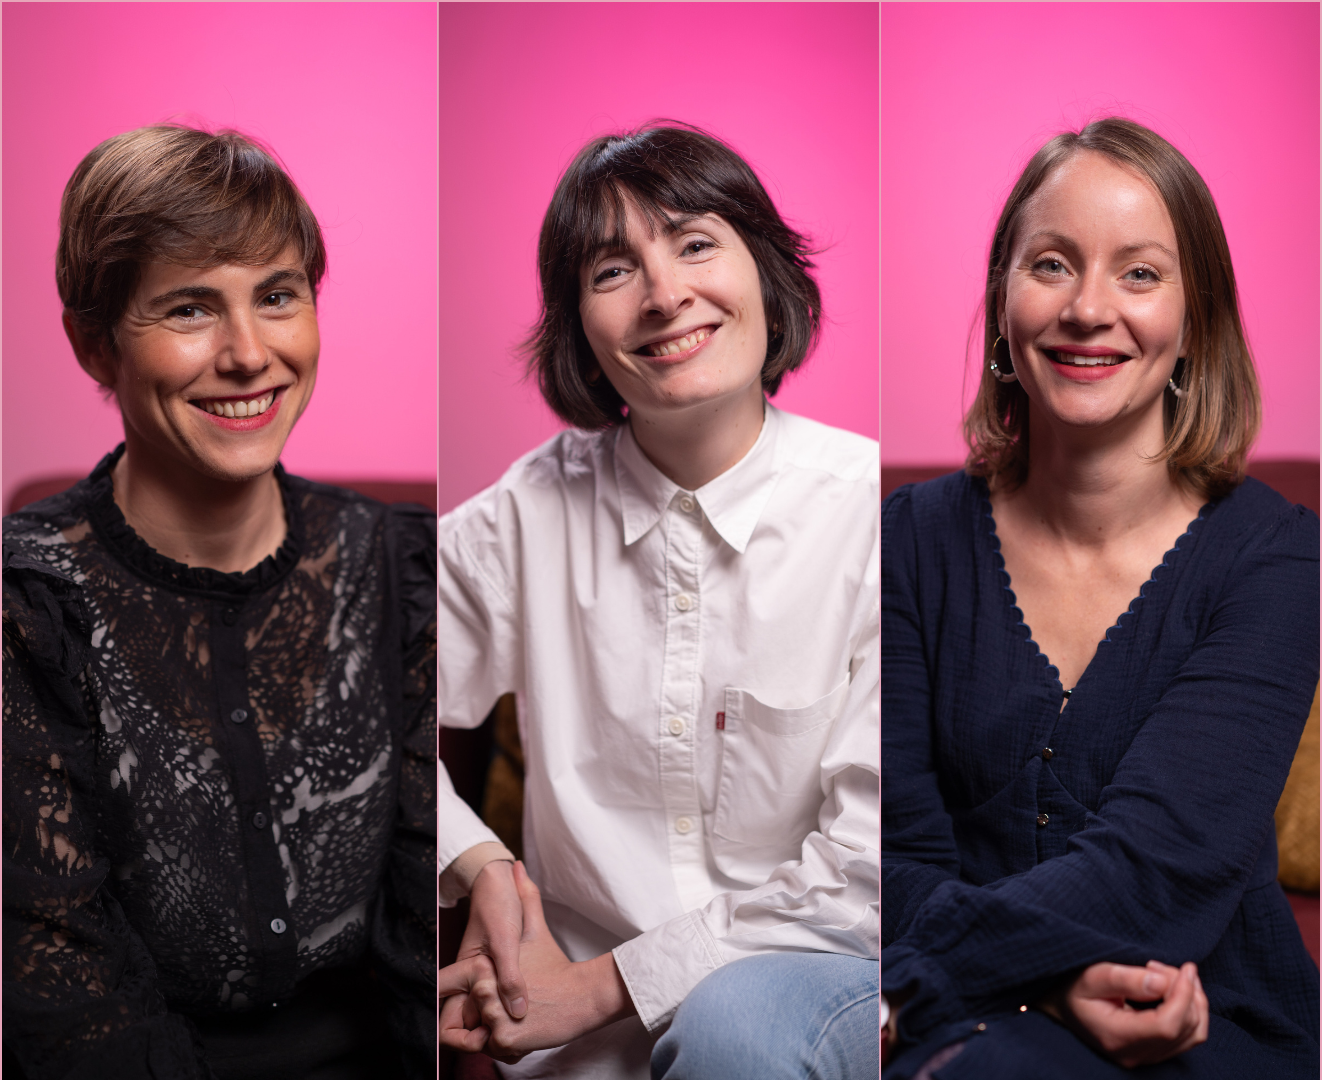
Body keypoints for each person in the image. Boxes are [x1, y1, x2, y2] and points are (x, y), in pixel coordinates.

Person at [432, 124, 880, 1078]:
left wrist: (602, 987)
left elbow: (869, 869)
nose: (665, 294)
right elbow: (347, 706)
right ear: (581, 332)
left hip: (808, 1002)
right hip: (562, 1041)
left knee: (734, 1030)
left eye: (696, 243)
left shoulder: (873, 518)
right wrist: (478, 863)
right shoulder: (528, 513)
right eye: (612, 271)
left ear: (767, 273)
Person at [880, 117, 1319, 1078]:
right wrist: (1037, 988)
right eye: (1051, 265)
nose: (1087, 308)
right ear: (1002, 299)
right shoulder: (906, 542)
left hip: (1204, 1026)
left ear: (1196, 320)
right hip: (963, 1032)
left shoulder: (1279, 560)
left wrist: (927, 984)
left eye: (1140, 273)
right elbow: (890, 859)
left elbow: (1155, 875)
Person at [2, 126, 437, 1079]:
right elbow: (62, 984)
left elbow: (421, 948)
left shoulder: (401, 566)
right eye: (190, 308)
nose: (249, 355)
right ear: (95, 345)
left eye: (278, 296)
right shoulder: (27, 604)